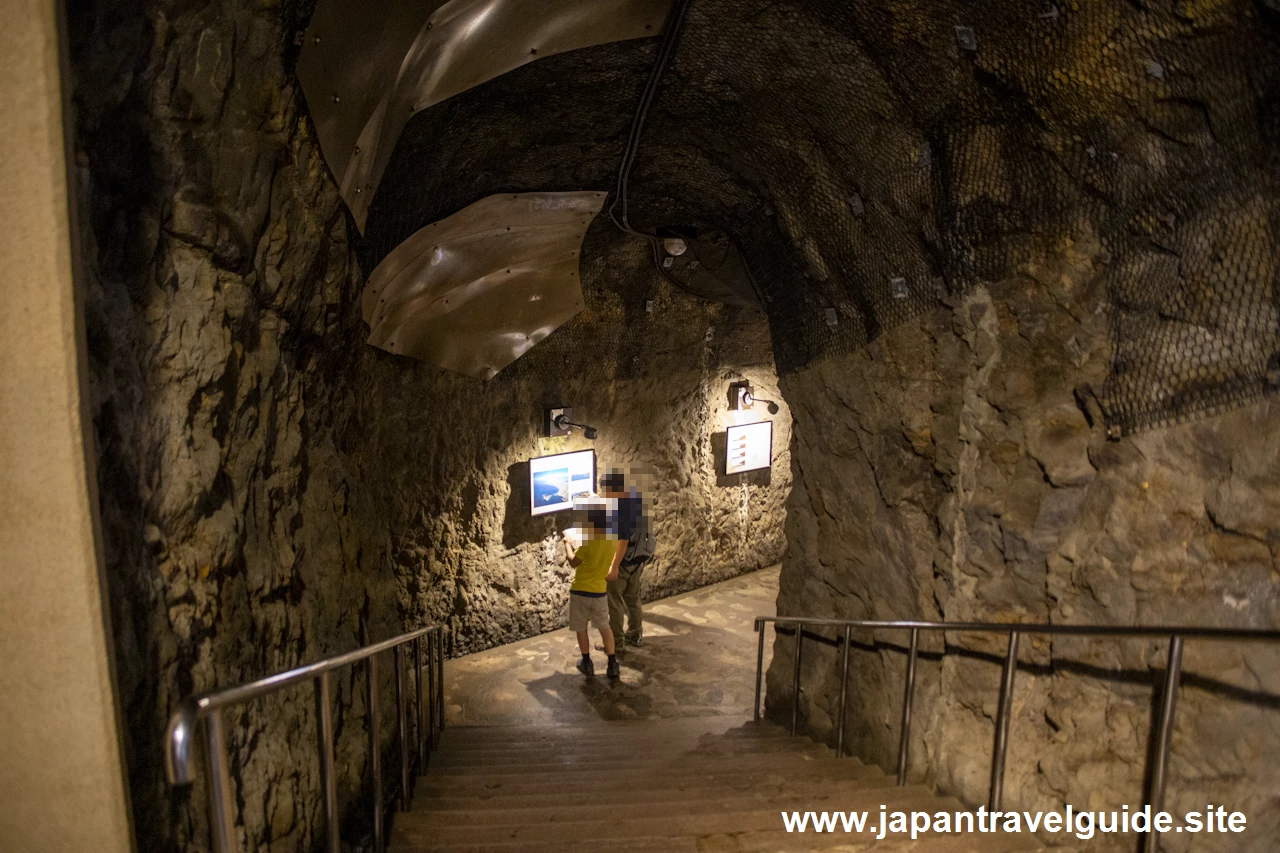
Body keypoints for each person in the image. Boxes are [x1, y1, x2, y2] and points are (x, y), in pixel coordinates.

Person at [562, 507, 621, 679]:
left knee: (581, 627)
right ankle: (612, 663)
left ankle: (587, 662)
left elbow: (573, 562)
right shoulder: (612, 539)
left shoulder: (588, 544)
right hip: (600, 591)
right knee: (605, 626)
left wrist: (567, 544)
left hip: (580, 591)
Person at [601, 470, 652, 652]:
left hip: (622, 564)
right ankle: (635, 634)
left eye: (606, 491)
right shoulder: (635, 498)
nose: (604, 495)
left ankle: (616, 642)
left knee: (614, 603)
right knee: (633, 599)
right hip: (636, 561)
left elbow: (622, 541)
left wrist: (613, 566)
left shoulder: (620, 510)